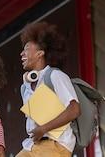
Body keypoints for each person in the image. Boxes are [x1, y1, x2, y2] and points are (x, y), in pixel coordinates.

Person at [16, 22, 80, 157]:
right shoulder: (25, 87)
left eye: (27, 48)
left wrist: (44, 129)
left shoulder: (55, 76)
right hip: (33, 146)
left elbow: (74, 110)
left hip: (56, 146)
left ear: (40, 53)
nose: (22, 53)